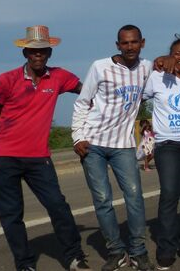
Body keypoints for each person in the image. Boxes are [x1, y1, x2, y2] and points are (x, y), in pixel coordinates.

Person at [0, 26, 90, 271]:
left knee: (57, 205)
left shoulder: (59, 77)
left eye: (42, 51)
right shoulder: (6, 80)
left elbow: (86, 92)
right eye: (33, 52)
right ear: (25, 54)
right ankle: (25, 264)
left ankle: (75, 257)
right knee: (12, 215)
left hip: (38, 158)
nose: (38, 56)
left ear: (49, 53)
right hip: (4, 158)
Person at [71, 25, 155, 271]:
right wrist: (78, 137)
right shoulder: (100, 67)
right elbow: (82, 102)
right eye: (124, 43)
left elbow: (166, 66)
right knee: (102, 200)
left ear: (142, 43)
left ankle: (138, 251)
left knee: (134, 197)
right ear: (117, 45)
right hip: (93, 144)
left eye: (134, 42)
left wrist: (167, 59)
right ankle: (116, 252)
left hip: (123, 145)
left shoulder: (147, 68)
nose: (130, 47)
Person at [142, 37, 180, 270]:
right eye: (177, 53)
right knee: (169, 194)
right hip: (167, 144)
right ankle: (166, 248)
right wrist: (155, 62)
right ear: (169, 56)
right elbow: (140, 94)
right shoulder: (157, 76)